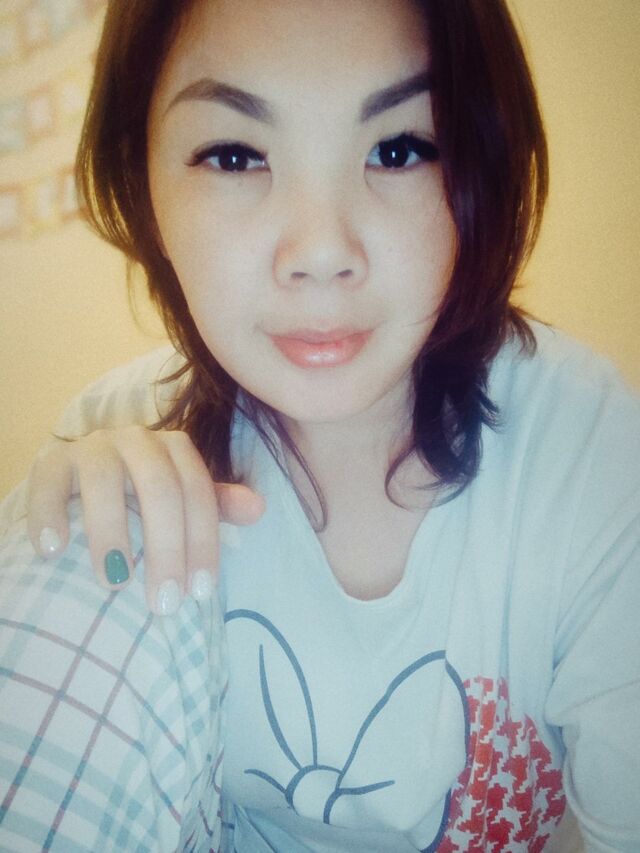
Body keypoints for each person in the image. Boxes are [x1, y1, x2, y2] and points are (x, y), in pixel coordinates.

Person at [1, 0, 638, 850]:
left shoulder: (589, 456)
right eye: (235, 155)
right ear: (142, 180)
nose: (322, 250)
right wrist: (48, 548)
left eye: (398, 148)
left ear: (480, 164)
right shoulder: (116, 443)